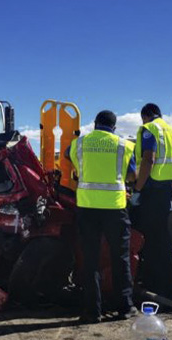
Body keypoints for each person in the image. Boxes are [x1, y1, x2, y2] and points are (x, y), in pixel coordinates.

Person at [68, 110, 138, 323]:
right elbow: (132, 175)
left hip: (87, 207)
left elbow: (70, 162)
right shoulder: (124, 145)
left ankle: (92, 311)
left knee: (90, 260)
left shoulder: (79, 144)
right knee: (120, 258)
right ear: (114, 127)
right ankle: (125, 308)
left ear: (95, 124)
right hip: (115, 208)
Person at [132, 103, 172, 299]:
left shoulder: (149, 129)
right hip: (166, 190)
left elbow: (148, 160)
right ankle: (168, 284)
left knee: (153, 240)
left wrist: (137, 190)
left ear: (145, 116)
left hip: (152, 190)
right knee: (162, 238)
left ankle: (158, 287)